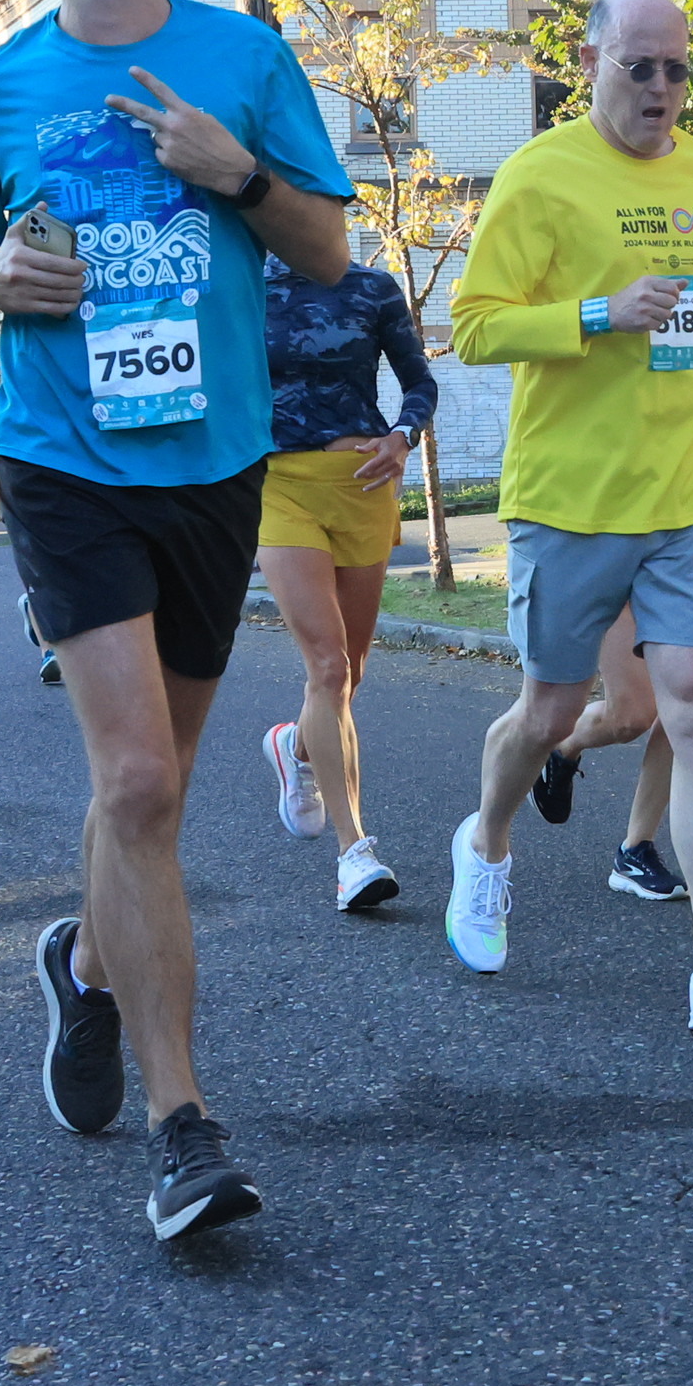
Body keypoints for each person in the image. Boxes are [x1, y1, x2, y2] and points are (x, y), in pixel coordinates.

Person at [0, 0, 356, 1243]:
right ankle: (185, 1132)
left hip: (215, 460)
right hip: (63, 458)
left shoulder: (245, 58)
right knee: (143, 783)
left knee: (149, 791)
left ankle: (89, 968)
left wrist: (237, 173)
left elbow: (327, 250)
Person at [445, 0, 693, 1034]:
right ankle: (487, 841)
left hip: (689, 487)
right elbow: (474, 326)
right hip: (572, 497)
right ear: (589, 63)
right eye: (638, 67)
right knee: (548, 716)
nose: (660, 88)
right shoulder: (539, 173)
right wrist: (599, 313)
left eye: (677, 69)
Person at [255, 250, 438, 915]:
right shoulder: (237, 283)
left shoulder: (371, 286)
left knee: (350, 673)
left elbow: (419, 382)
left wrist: (403, 435)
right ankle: (353, 853)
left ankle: (295, 745)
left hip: (363, 486)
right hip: (278, 487)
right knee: (328, 668)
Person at [529, 610, 693, 904]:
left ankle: (635, 851)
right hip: (621, 585)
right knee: (630, 718)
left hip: (688, 583)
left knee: (687, 706)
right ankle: (560, 746)